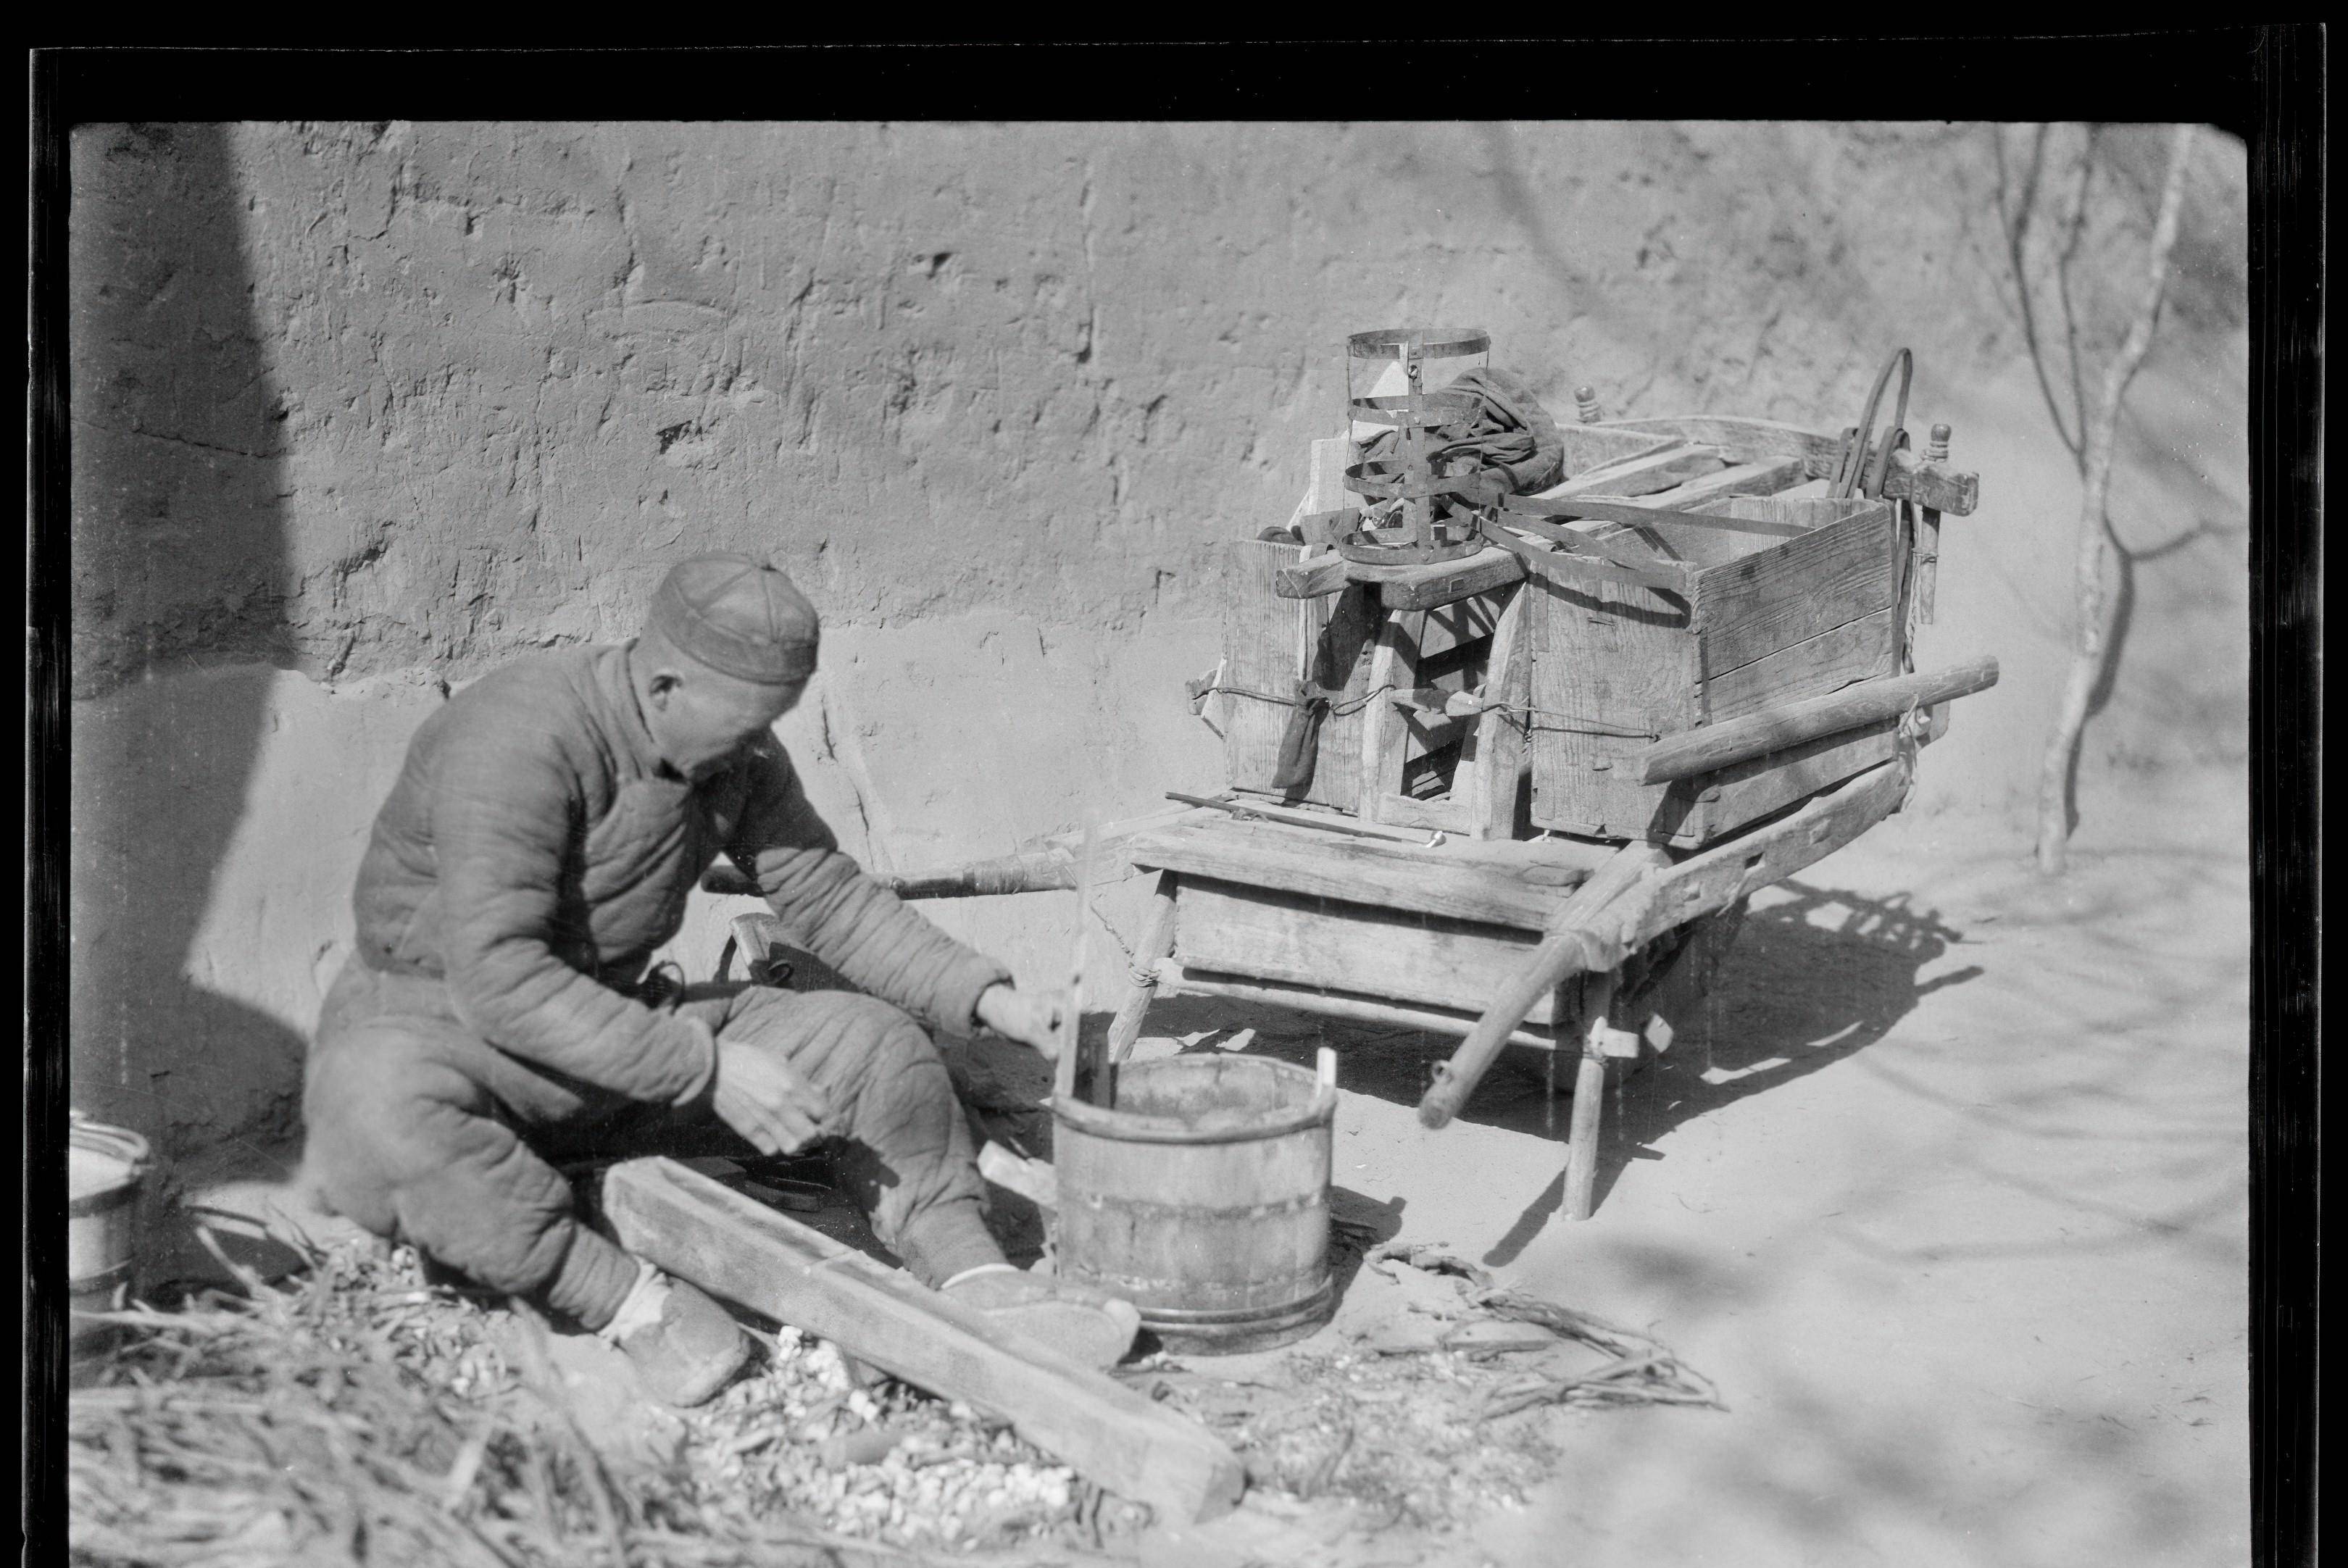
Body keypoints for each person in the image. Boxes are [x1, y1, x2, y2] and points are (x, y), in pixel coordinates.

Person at [300, 552, 1139, 1405]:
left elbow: (828, 896)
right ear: (665, 685)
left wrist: (989, 998)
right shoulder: (518, 739)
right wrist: (703, 1068)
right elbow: (501, 978)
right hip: (453, 1036)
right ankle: (624, 1298)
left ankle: (973, 1276)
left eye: (770, 723)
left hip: (620, 1034)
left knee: (871, 1044)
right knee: (375, 1113)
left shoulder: (734, 754)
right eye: (745, 724)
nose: (756, 746)